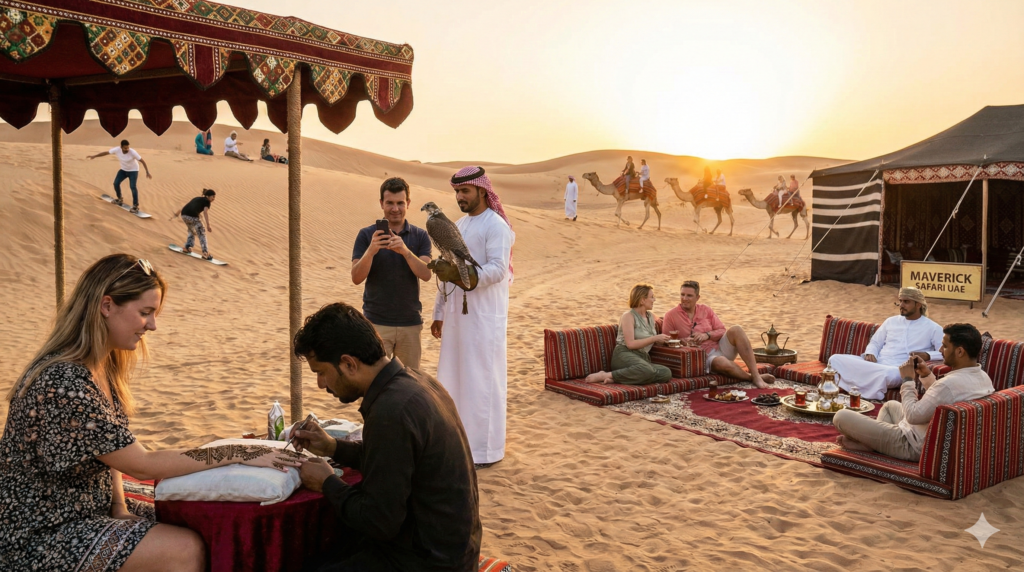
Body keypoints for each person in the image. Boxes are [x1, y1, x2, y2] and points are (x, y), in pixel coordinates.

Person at [0, 254, 301, 572]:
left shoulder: (101, 365)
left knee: (187, 509)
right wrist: (238, 452)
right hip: (38, 533)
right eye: (145, 313)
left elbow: (109, 452)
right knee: (184, 550)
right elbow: (140, 465)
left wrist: (118, 504)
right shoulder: (64, 379)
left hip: (87, 506)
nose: (153, 326)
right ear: (107, 306)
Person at [291, 302, 481, 572]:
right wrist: (332, 447)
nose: (321, 384)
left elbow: (379, 522)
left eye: (321, 373)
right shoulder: (415, 380)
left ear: (348, 364)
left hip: (429, 561)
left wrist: (328, 484)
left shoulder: (391, 411)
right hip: (446, 548)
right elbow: (392, 461)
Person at [430, 166, 515, 468]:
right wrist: (439, 313)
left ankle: (485, 451)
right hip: (456, 320)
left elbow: (498, 269)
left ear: (482, 190)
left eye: (465, 191)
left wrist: (466, 277)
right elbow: (445, 270)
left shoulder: (496, 226)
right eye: (456, 192)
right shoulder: (458, 225)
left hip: (483, 320)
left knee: (482, 383)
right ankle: (458, 447)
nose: (459, 197)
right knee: (454, 380)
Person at [834, 323, 994, 461]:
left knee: (841, 417)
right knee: (890, 406)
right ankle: (874, 445)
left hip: (912, 445)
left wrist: (907, 380)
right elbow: (945, 398)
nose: (940, 349)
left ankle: (874, 445)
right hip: (925, 434)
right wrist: (925, 374)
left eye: (945, 346)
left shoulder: (949, 384)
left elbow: (913, 415)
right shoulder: (982, 377)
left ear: (960, 352)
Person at [352, 177, 432, 370]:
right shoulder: (366, 235)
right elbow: (356, 277)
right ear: (381, 204)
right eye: (390, 203)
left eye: (400, 203)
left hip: (410, 324)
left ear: (408, 204)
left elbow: (427, 274)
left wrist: (405, 251)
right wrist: (371, 250)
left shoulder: (420, 236)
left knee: (410, 384)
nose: (395, 209)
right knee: (374, 382)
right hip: (376, 324)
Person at [830, 287, 943, 400]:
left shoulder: (933, 328)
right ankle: (861, 387)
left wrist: (927, 355)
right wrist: (871, 353)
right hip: (877, 363)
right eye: (900, 301)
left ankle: (857, 388)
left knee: (887, 374)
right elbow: (875, 342)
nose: (901, 305)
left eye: (906, 302)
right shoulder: (891, 321)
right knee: (835, 359)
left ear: (918, 304)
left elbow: (944, 352)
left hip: (897, 369)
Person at [661, 280, 776, 388]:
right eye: (682, 295)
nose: (684, 298)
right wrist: (682, 341)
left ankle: (755, 374)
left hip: (719, 347)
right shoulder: (670, 315)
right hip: (703, 356)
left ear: (697, 297)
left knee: (737, 329)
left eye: (689, 295)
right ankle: (753, 378)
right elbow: (666, 342)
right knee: (722, 362)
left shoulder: (705, 309)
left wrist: (707, 335)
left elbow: (721, 330)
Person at [583, 284, 672, 385]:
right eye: (651, 297)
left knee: (666, 373)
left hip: (642, 358)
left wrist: (664, 341)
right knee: (646, 370)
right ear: (642, 300)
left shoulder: (651, 317)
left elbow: (664, 322)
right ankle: (605, 375)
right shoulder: (628, 316)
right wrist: (654, 338)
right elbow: (630, 344)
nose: (654, 300)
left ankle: (615, 379)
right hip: (625, 355)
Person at [87, 140, 152, 214]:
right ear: (121, 147)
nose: (127, 149)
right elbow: (106, 153)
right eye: (125, 148)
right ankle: (120, 198)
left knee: (133, 187)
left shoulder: (133, 152)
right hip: (123, 170)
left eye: (127, 148)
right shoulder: (117, 150)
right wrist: (94, 156)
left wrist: (147, 171)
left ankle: (135, 206)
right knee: (116, 183)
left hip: (133, 171)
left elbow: (142, 161)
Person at [171, 188, 216, 260]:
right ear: (207, 196)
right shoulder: (207, 202)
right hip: (192, 217)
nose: (214, 198)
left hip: (184, 215)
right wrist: (208, 225)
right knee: (202, 232)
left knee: (191, 230)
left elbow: (186, 206)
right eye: (212, 196)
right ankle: (205, 252)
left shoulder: (197, 198)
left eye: (214, 197)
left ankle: (187, 247)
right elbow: (205, 212)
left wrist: (177, 213)